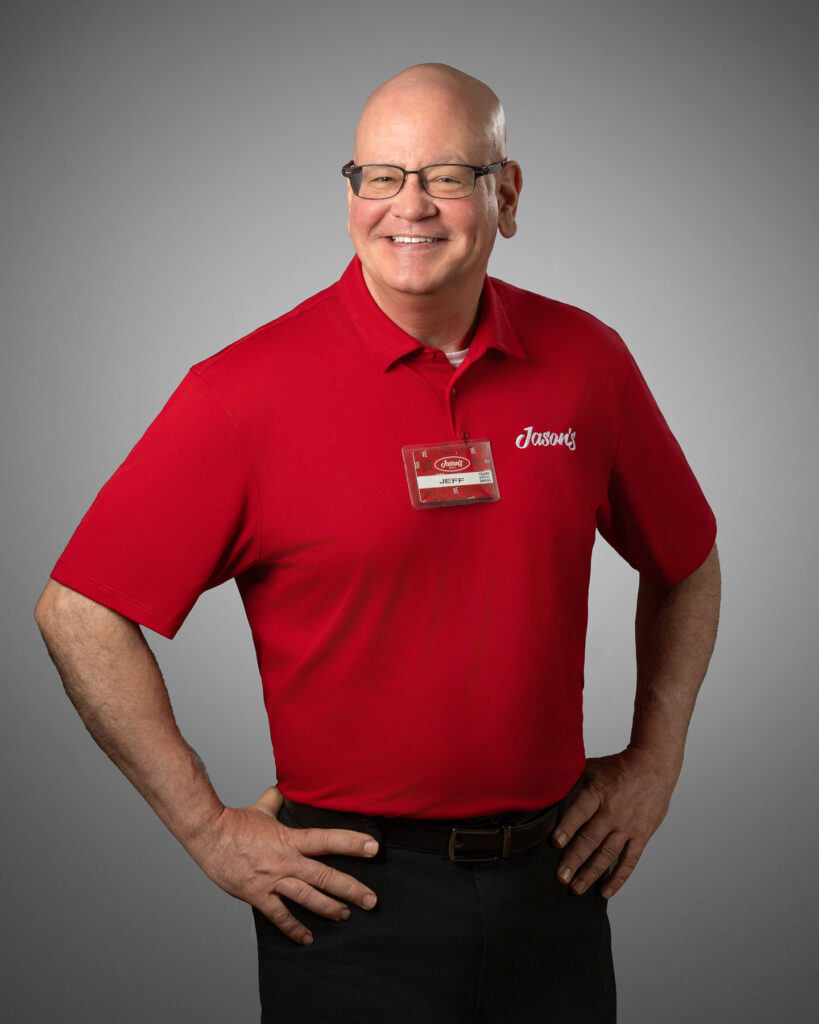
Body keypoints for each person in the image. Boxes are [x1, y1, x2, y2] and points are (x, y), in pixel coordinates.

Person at [35, 63, 721, 1022]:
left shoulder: (587, 362)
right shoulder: (242, 395)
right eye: (379, 177)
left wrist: (655, 762)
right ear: (349, 196)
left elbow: (686, 564)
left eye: (446, 176)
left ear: (505, 195)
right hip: (354, 908)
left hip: (553, 887)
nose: (411, 207)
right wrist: (205, 827)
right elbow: (78, 611)